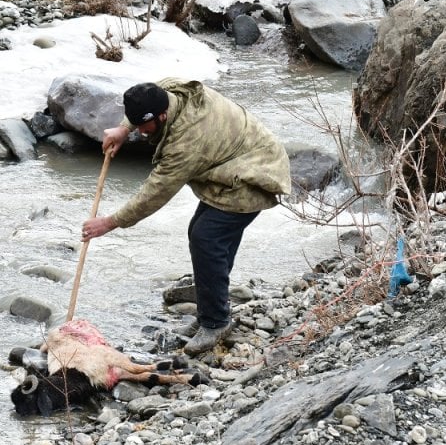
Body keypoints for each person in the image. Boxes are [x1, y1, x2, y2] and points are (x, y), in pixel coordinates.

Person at [81, 78, 291, 355]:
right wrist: (123, 129)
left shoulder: (186, 141)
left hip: (255, 176)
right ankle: (210, 309)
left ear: (163, 116)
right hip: (236, 161)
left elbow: (156, 192)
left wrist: (109, 223)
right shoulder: (170, 91)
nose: (142, 133)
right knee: (202, 234)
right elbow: (148, 96)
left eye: (145, 128)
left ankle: (216, 322)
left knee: (207, 238)